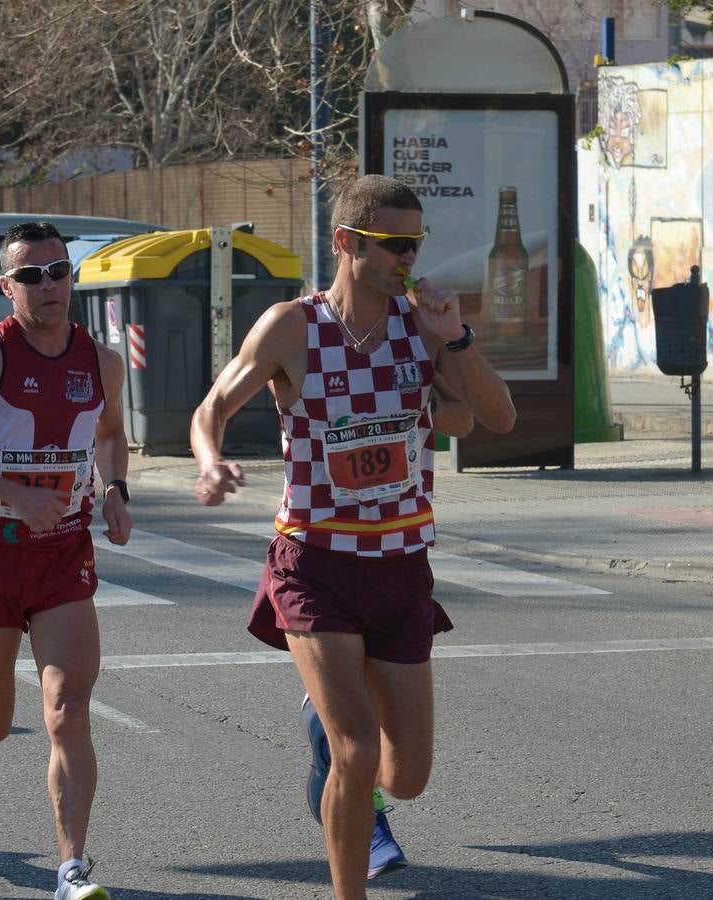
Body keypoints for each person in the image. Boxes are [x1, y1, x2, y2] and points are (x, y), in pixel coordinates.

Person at [190, 174, 515, 899]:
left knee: (408, 775)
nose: (409, 257)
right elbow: (211, 407)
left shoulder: (422, 324)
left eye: (416, 242)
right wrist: (211, 462)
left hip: (401, 564)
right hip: (316, 561)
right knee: (358, 752)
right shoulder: (291, 327)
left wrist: (453, 342)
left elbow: (493, 419)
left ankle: (321, 711)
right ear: (347, 243)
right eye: (395, 243)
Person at [0, 221, 132, 900]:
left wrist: (115, 490)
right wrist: (14, 494)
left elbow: (112, 435)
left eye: (58, 271)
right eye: (31, 276)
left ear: (73, 278)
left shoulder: (102, 361)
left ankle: (73, 867)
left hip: (64, 553)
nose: (48, 286)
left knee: (67, 708)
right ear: (7, 287)